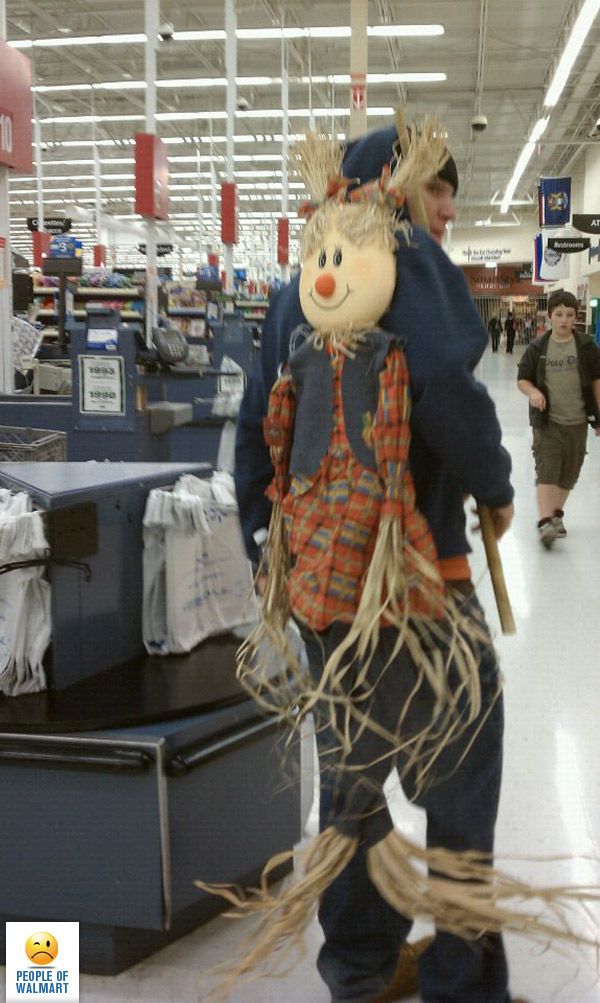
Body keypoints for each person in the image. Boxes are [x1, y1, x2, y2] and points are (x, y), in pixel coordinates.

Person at [234, 125, 519, 1003]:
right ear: (389, 188)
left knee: (353, 786)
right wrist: (495, 483)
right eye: (436, 189)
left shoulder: (296, 290)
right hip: (420, 585)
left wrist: (268, 546)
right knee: (461, 781)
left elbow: (253, 424)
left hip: (328, 596)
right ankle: (462, 984)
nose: (446, 210)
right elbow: (444, 382)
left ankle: (358, 970)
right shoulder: (409, 258)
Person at [517, 289, 600, 548]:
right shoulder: (538, 347)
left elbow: (596, 382)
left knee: (569, 475)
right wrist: (533, 393)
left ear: (576, 317)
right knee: (547, 470)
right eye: (559, 314)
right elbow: (522, 379)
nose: (564, 320)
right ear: (550, 316)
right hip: (547, 423)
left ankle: (555, 515)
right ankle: (545, 522)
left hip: (578, 422)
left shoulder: (586, 346)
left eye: (569, 315)